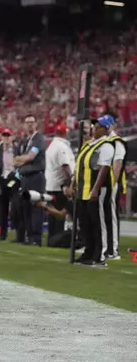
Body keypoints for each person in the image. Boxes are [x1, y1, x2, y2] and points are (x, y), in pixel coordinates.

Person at [72, 115, 116, 267]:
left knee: (98, 223)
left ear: (105, 129)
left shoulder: (106, 146)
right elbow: (80, 165)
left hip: (96, 190)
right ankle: (88, 253)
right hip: (83, 190)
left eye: (98, 126)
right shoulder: (90, 144)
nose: (94, 128)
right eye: (94, 126)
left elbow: (104, 168)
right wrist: (74, 183)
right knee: (86, 224)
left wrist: (95, 190)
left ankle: (100, 256)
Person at [13, 114, 46, 246]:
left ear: (36, 124)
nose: (30, 125)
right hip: (25, 177)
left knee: (35, 206)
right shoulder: (23, 141)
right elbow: (14, 161)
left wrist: (22, 160)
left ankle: (36, 238)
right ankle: (29, 236)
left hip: (36, 176)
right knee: (25, 206)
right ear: (24, 125)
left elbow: (31, 157)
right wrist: (22, 160)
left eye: (32, 122)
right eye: (27, 122)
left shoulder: (39, 139)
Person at [44, 123, 75, 246]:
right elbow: (65, 165)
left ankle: (52, 238)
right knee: (59, 216)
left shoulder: (52, 145)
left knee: (53, 215)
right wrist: (72, 179)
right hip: (59, 186)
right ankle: (57, 239)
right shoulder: (62, 147)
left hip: (51, 185)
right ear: (64, 133)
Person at [105, 113, 126, 260]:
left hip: (112, 184)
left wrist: (112, 185)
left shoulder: (116, 142)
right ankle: (103, 246)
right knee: (103, 217)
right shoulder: (105, 141)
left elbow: (116, 167)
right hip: (103, 185)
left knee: (111, 217)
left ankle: (112, 249)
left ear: (112, 125)